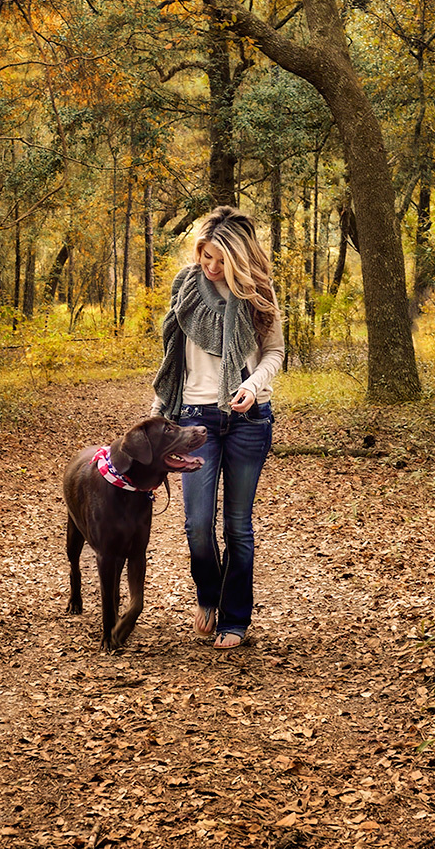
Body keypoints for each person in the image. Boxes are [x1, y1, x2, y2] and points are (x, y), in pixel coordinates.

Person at [152, 206, 284, 649]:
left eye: (220, 259)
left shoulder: (259, 295)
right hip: (194, 419)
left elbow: (275, 354)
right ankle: (208, 595)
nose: (210, 267)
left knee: (238, 526)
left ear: (240, 256)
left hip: (248, 420)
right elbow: (172, 355)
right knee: (197, 524)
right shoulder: (187, 287)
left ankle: (235, 618)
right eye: (205, 256)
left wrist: (250, 383)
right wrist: (160, 413)